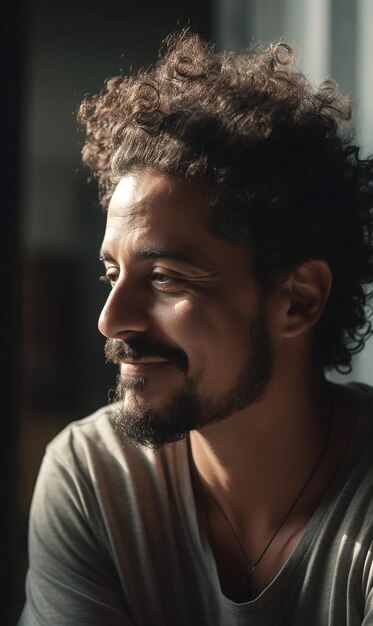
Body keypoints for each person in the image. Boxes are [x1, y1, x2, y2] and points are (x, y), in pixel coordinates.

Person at [19, 30, 373, 626]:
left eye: (164, 279)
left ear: (297, 300)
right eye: (113, 274)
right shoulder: (93, 477)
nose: (111, 320)